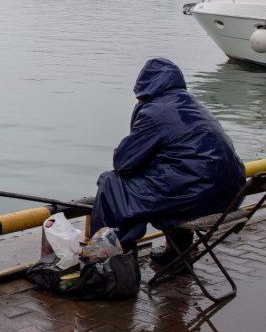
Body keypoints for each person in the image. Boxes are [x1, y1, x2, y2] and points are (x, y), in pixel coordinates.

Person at [90, 58, 246, 262]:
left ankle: (108, 260)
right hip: (230, 197)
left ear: (144, 89)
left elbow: (123, 164)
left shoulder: (155, 112)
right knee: (170, 182)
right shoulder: (195, 105)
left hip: (198, 200)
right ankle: (177, 254)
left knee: (111, 183)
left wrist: (138, 113)